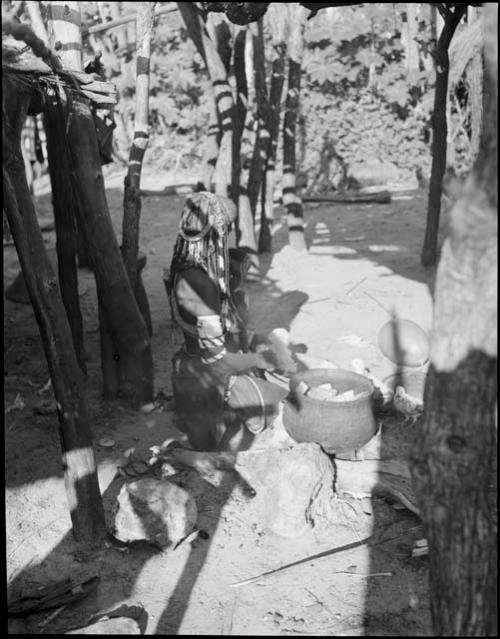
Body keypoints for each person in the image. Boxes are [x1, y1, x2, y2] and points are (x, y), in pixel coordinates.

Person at [166, 191, 289, 452]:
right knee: (285, 404)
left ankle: (227, 410)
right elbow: (218, 360)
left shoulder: (184, 266)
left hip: (194, 365)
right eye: (227, 231)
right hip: (207, 378)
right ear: (217, 231)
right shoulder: (202, 283)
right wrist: (258, 360)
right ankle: (224, 413)